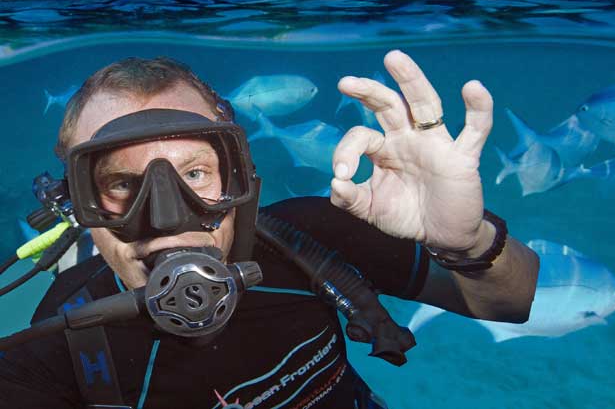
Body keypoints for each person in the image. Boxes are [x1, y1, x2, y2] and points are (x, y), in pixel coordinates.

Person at [0, 51, 539, 408]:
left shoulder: (313, 236)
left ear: (239, 179)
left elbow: (511, 303)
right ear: (76, 204)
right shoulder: (57, 343)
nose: (167, 216)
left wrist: (468, 242)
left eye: (194, 174)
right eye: (120, 183)